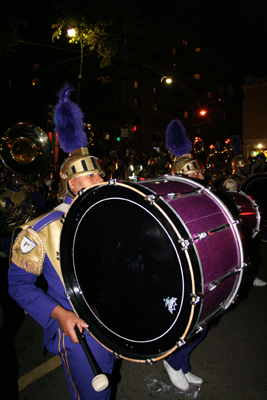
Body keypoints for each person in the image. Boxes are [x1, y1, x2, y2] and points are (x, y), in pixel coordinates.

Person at [8, 84, 116, 400]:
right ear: (71, 182)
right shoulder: (40, 229)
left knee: (107, 382)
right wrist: (59, 314)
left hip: (111, 324)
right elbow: (18, 285)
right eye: (92, 176)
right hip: (77, 331)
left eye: (100, 174)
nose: (101, 180)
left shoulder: (110, 215)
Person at [164, 119, 208, 391]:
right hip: (178, 272)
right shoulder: (171, 197)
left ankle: (183, 365)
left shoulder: (202, 195)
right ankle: (173, 360)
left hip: (201, 267)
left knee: (203, 322)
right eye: (197, 174)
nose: (202, 177)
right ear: (184, 175)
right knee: (194, 326)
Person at [0, 170, 46, 258]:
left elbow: (42, 204)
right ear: (8, 177)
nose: (17, 178)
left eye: (19, 175)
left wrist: (32, 189)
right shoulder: (2, 192)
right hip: (9, 234)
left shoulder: (27, 190)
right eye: (14, 175)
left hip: (27, 232)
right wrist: (5, 214)